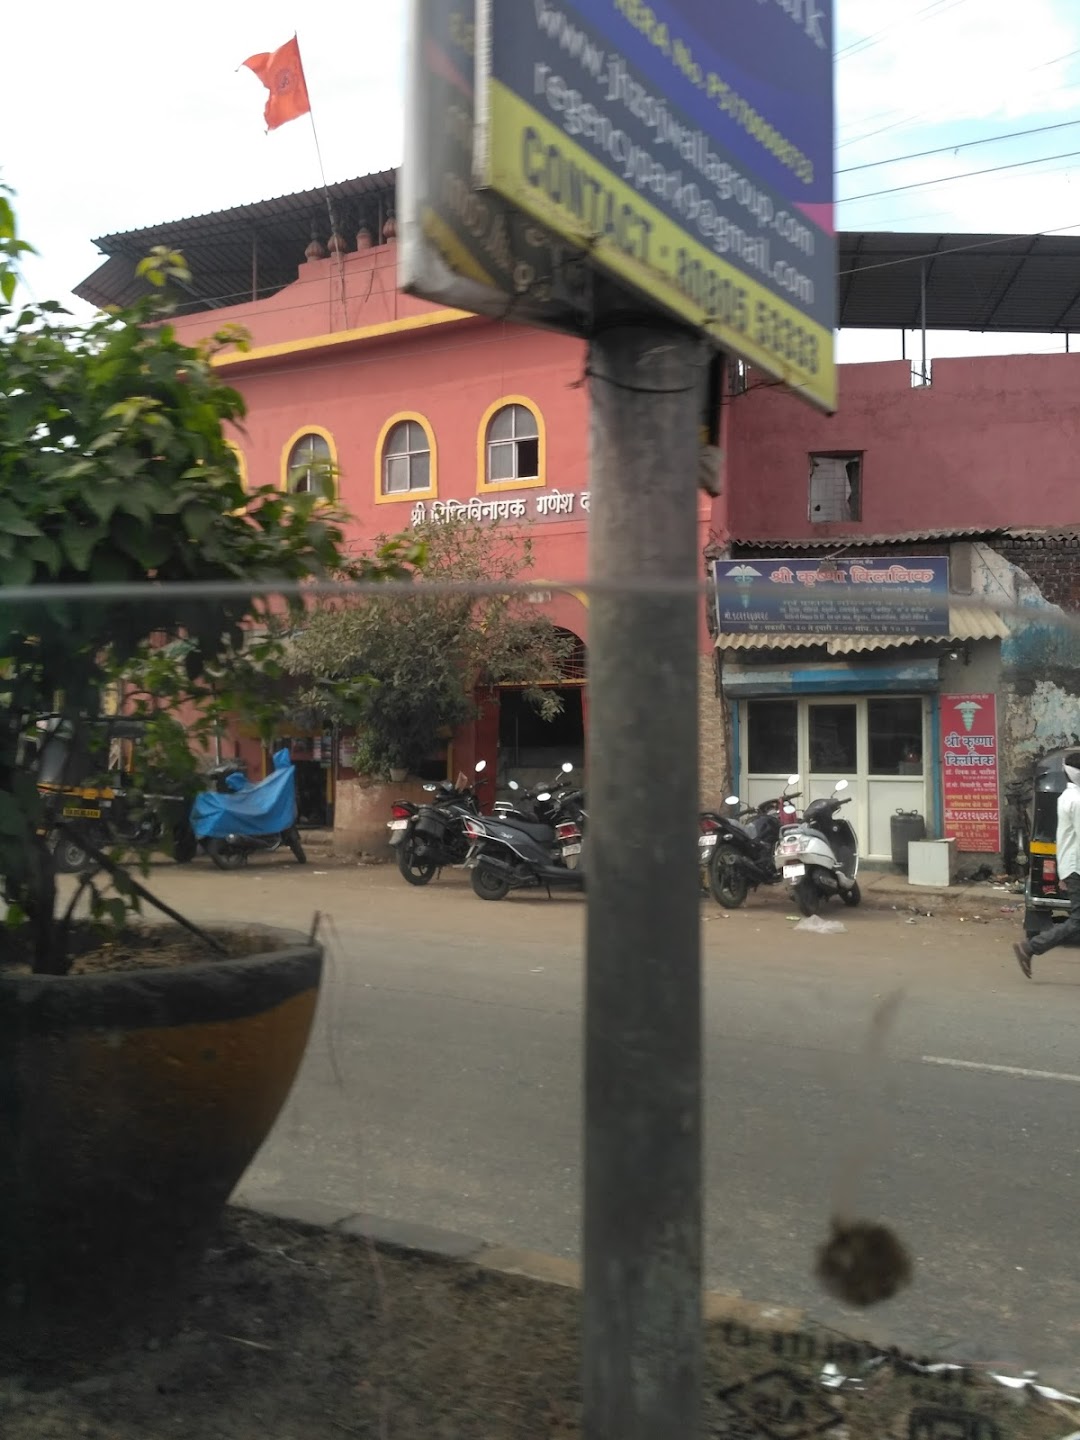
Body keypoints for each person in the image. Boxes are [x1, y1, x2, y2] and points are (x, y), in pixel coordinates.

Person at [1015, 750, 1080, 978]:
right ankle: (1031, 947)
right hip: (1077, 867)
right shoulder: (1077, 800)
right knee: (1077, 921)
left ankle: (1031, 947)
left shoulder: (1066, 797)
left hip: (1071, 865)